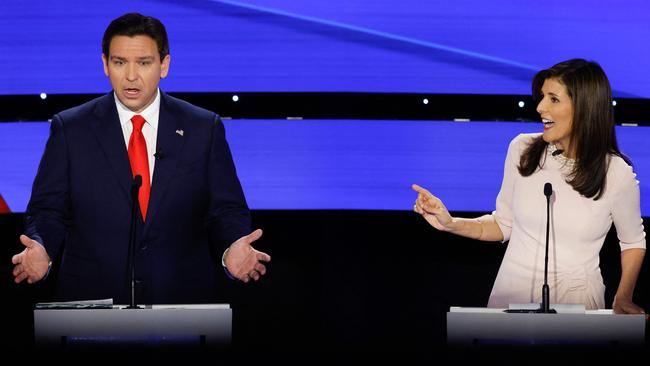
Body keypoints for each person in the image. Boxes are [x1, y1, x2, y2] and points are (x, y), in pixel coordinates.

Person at [11, 13, 270, 304]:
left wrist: (231, 246)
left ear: (164, 65)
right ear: (105, 65)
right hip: (92, 303)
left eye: (144, 63)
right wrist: (42, 247)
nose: (131, 76)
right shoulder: (71, 129)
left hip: (181, 301)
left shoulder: (203, 128)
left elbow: (226, 209)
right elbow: (48, 209)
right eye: (120, 62)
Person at [412, 59, 646, 313]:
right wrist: (450, 223)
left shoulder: (616, 173)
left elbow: (632, 242)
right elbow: (504, 225)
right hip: (511, 294)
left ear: (584, 108)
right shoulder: (522, 149)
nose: (540, 107)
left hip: (577, 302)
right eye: (542, 97)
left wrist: (623, 296)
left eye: (553, 99)